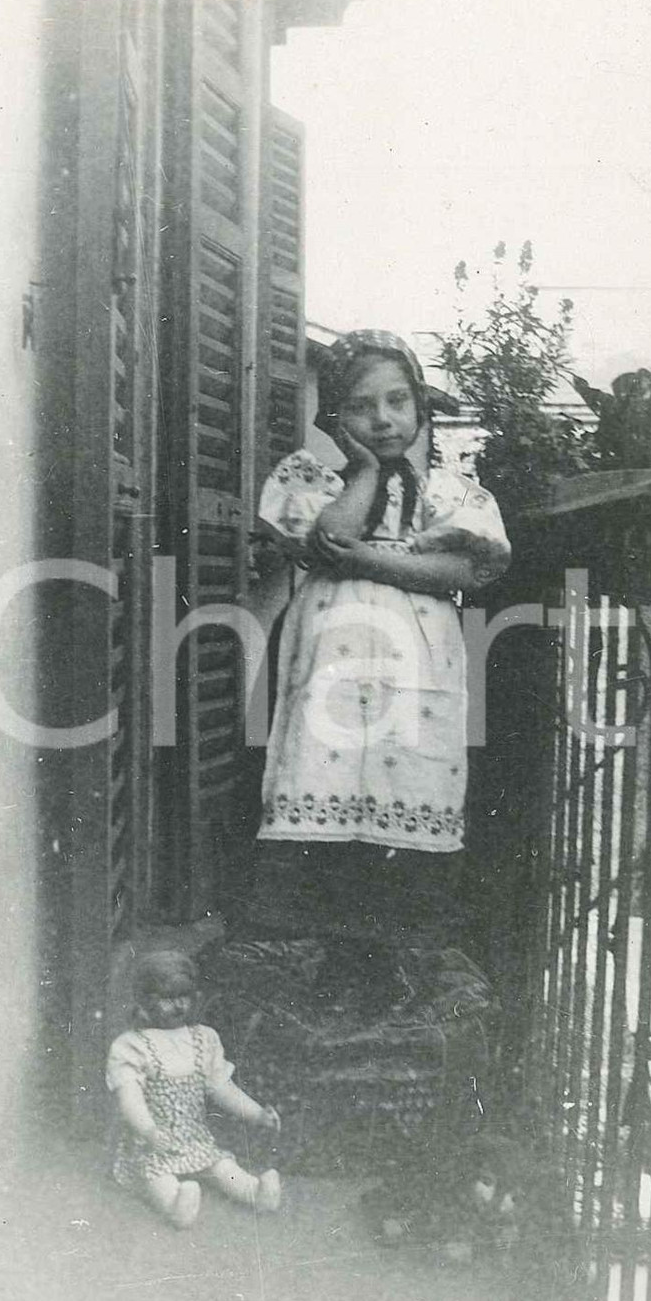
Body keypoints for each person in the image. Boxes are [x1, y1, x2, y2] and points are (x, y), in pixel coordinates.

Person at [250, 329, 511, 978]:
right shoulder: (308, 480)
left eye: (398, 400)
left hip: (418, 668)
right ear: (334, 417)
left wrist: (369, 559)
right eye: (363, 405)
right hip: (331, 666)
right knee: (326, 776)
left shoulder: (450, 493)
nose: (384, 418)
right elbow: (327, 540)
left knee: (407, 781)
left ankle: (390, 968)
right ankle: (324, 965)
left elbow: (465, 569)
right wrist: (364, 472)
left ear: (421, 408)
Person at [106, 951, 282, 1228]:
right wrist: (149, 1131)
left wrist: (257, 1114)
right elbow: (130, 1099)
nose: (178, 1006)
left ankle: (254, 1191)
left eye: (184, 997)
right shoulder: (131, 1046)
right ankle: (175, 1203)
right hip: (152, 1141)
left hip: (194, 1136)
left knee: (221, 1166)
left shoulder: (203, 1038)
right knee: (156, 1175)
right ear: (146, 1000)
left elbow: (222, 1087)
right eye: (167, 999)